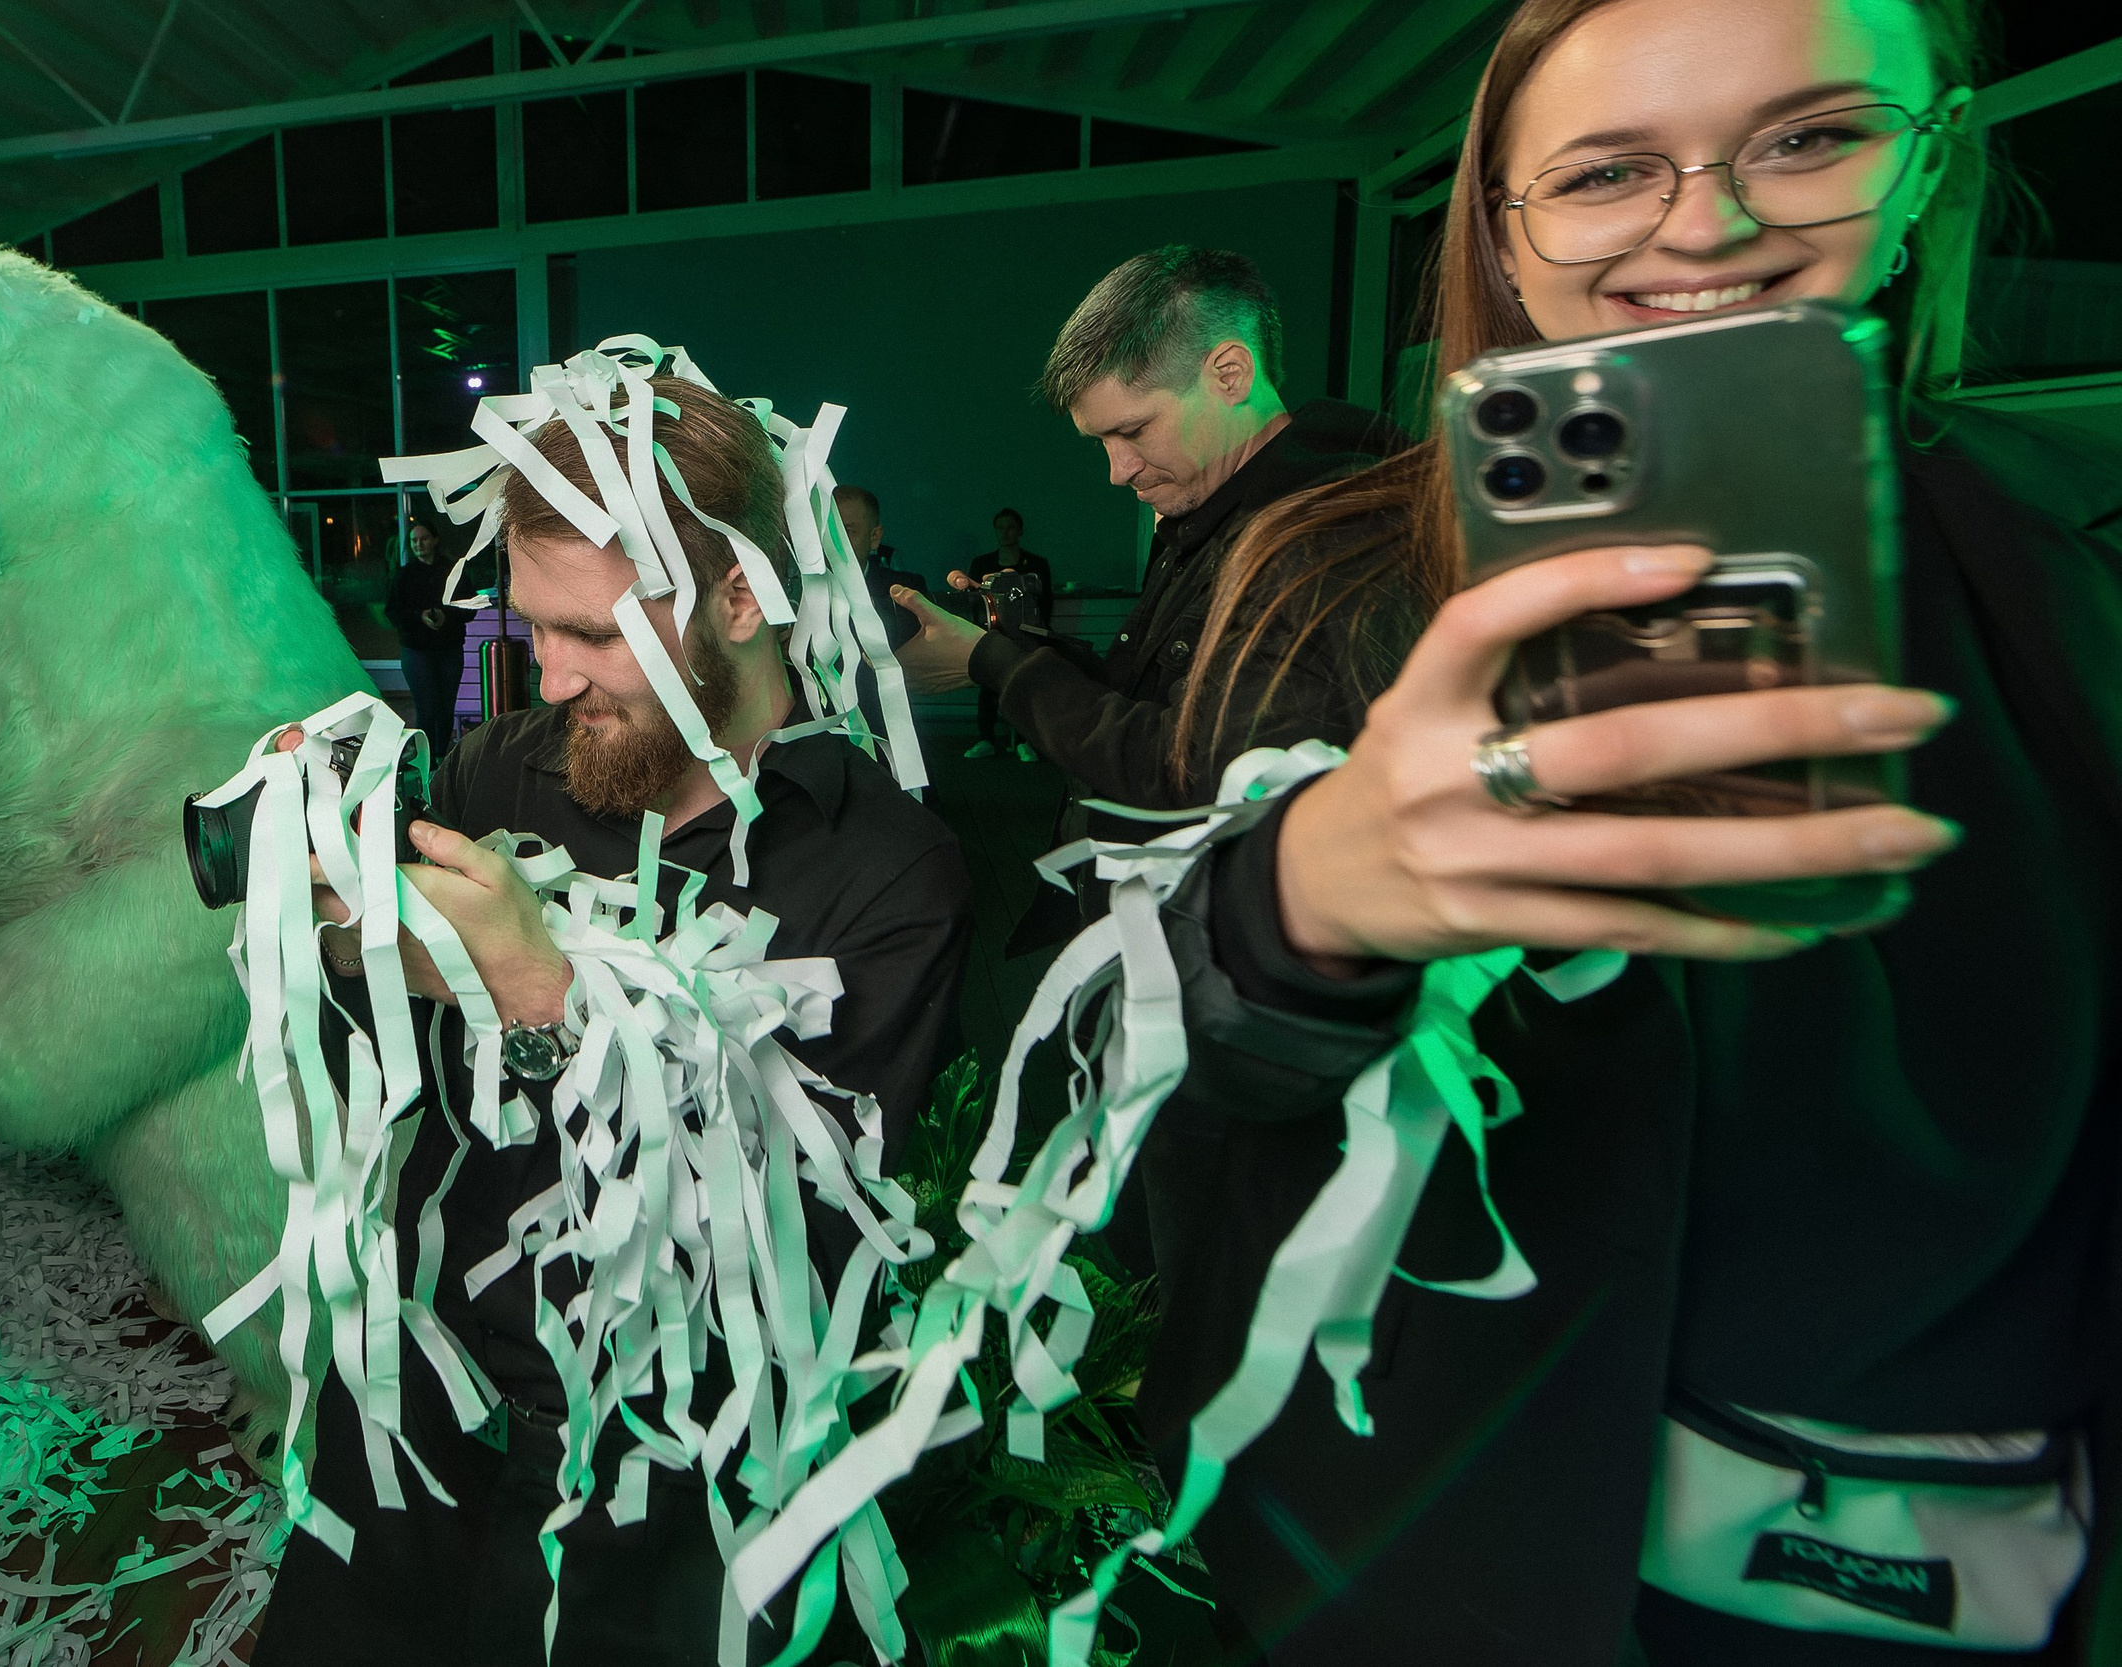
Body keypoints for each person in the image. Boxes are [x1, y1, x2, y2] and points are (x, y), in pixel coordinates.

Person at [1146, 1, 2115, 1662]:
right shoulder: (1341, 580)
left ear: (1931, 163)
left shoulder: (2072, 580)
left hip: (1954, 1556)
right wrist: (1309, 896)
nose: (1706, 224)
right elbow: (1186, 1047)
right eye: (1606, 173)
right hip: (1460, 1552)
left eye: (1810, 138)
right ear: (1505, 237)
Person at [252, 375, 972, 1667]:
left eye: (592, 631)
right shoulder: (502, 765)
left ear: (739, 597)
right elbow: (397, 1053)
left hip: (668, 1468)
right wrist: (334, 922)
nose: (551, 672)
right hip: (427, 1397)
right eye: (533, 624)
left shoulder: (886, 869)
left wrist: (550, 998)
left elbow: (810, 1230)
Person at [893, 248, 1405, 804]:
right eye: (1102, 442)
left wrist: (994, 665)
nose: (1118, 472)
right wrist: (1010, 641)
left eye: (1134, 430)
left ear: (1230, 375)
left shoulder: (1333, 536)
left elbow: (1196, 776)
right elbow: (1144, 699)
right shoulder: (1207, 518)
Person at [951, 508, 1053, 761]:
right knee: (988, 685)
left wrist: (1036, 634)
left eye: (1010, 527)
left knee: (1025, 685)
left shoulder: (1036, 565)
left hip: (1026, 636)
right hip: (991, 635)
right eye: (1000, 527)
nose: (1005, 532)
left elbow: (1045, 602)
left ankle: (1025, 740)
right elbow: (974, 602)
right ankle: (986, 738)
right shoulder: (982, 564)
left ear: (1019, 531)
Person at [384, 517, 471, 767]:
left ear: (435, 540)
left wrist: (446, 616)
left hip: (449, 648)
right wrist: (419, 616)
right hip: (417, 650)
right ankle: (426, 760)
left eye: (423, 539)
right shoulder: (404, 575)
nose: (418, 544)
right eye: (414, 541)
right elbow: (393, 612)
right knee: (426, 707)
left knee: (446, 707)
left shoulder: (453, 571)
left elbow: (470, 606)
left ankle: (441, 756)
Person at [833, 484, 928, 649]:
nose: (833, 542)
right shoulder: (793, 593)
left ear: (875, 537)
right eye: (827, 530)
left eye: (846, 531)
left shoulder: (906, 593)